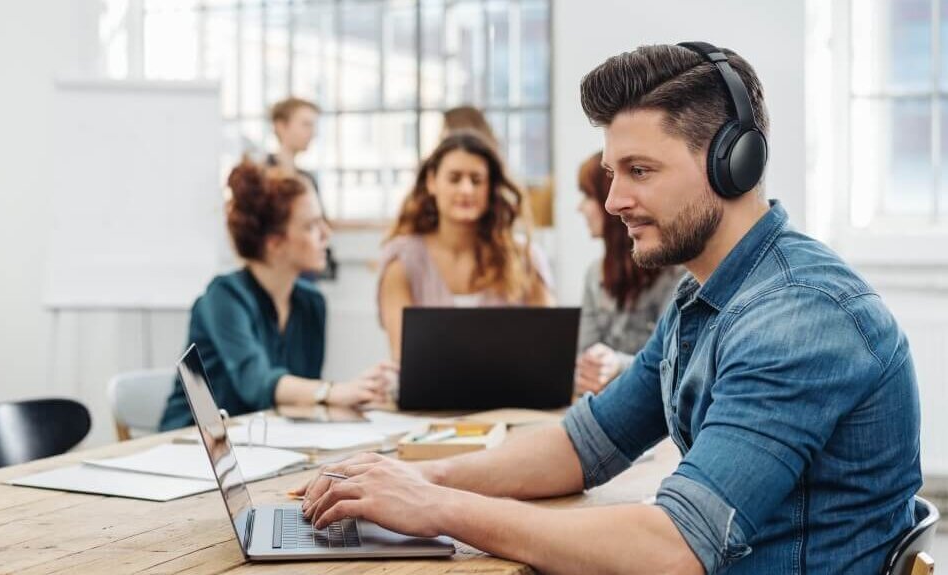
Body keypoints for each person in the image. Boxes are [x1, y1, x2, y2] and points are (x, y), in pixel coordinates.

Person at [295, 43, 921, 574]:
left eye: (640, 171)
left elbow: (674, 547)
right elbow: (585, 444)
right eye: (611, 172)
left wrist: (435, 509)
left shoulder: (799, 318)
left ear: (734, 163)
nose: (615, 199)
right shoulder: (703, 299)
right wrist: (421, 479)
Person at [159, 160, 391, 431]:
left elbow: (301, 399)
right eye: (311, 226)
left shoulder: (311, 303)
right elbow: (255, 383)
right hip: (190, 449)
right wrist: (331, 391)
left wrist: (361, 390)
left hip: (264, 446)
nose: (326, 234)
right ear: (275, 243)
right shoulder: (223, 297)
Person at [377, 130, 555, 359]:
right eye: (454, 178)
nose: (466, 190)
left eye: (476, 180)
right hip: (430, 394)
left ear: (490, 187)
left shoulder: (526, 258)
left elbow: (549, 347)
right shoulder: (401, 261)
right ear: (432, 182)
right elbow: (403, 354)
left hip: (514, 395)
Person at [574, 152, 683, 395]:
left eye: (588, 196)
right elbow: (581, 362)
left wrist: (617, 365)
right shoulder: (595, 275)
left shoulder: (678, 275)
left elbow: (675, 367)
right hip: (607, 406)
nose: (579, 208)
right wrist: (589, 371)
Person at [266, 97, 336, 279]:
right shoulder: (261, 177)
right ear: (281, 126)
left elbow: (321, 223)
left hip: (305, 270)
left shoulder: (307, 179)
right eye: (306, 125)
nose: (312, 133)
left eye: (313, 126)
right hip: (274, 269)